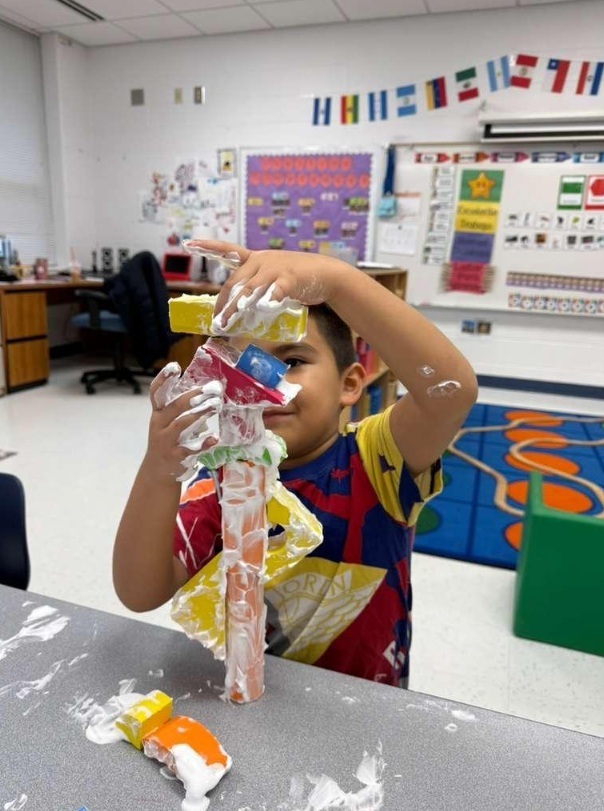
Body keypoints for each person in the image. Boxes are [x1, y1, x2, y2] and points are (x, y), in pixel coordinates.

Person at [113, 241, 478, 688]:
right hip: (252, 694)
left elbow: (451, 390)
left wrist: (336, 280)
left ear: (349, 384)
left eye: (292, 360)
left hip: (365, 700)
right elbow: (139, 592)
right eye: (240, 364)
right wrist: (158, 469)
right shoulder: (220, 480)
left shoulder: (379, 459)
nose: (260, 384)